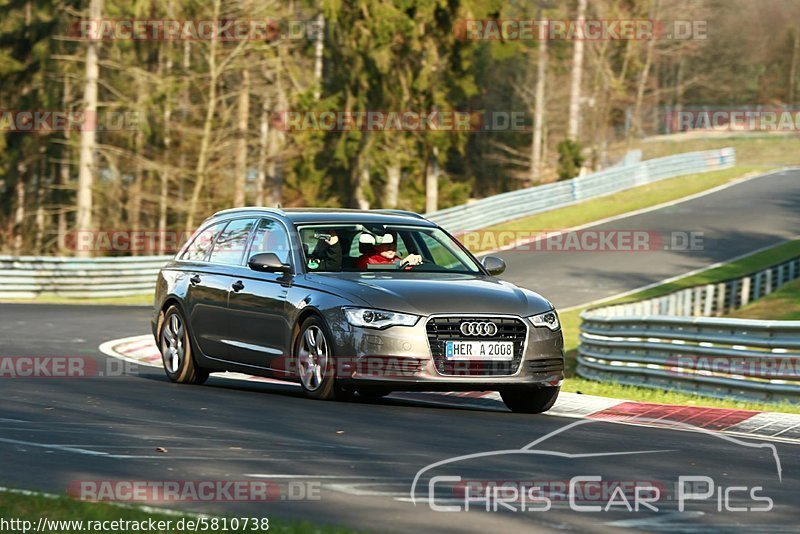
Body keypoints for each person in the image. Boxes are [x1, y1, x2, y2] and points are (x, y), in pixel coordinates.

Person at [356, 232, 423, 270]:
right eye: (387, 243)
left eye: (394, 243)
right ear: (376, 246)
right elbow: (372, 268)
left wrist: (415, 263)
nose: (391, 246)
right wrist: (400, 264)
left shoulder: (396, 259)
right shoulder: (365, 260)